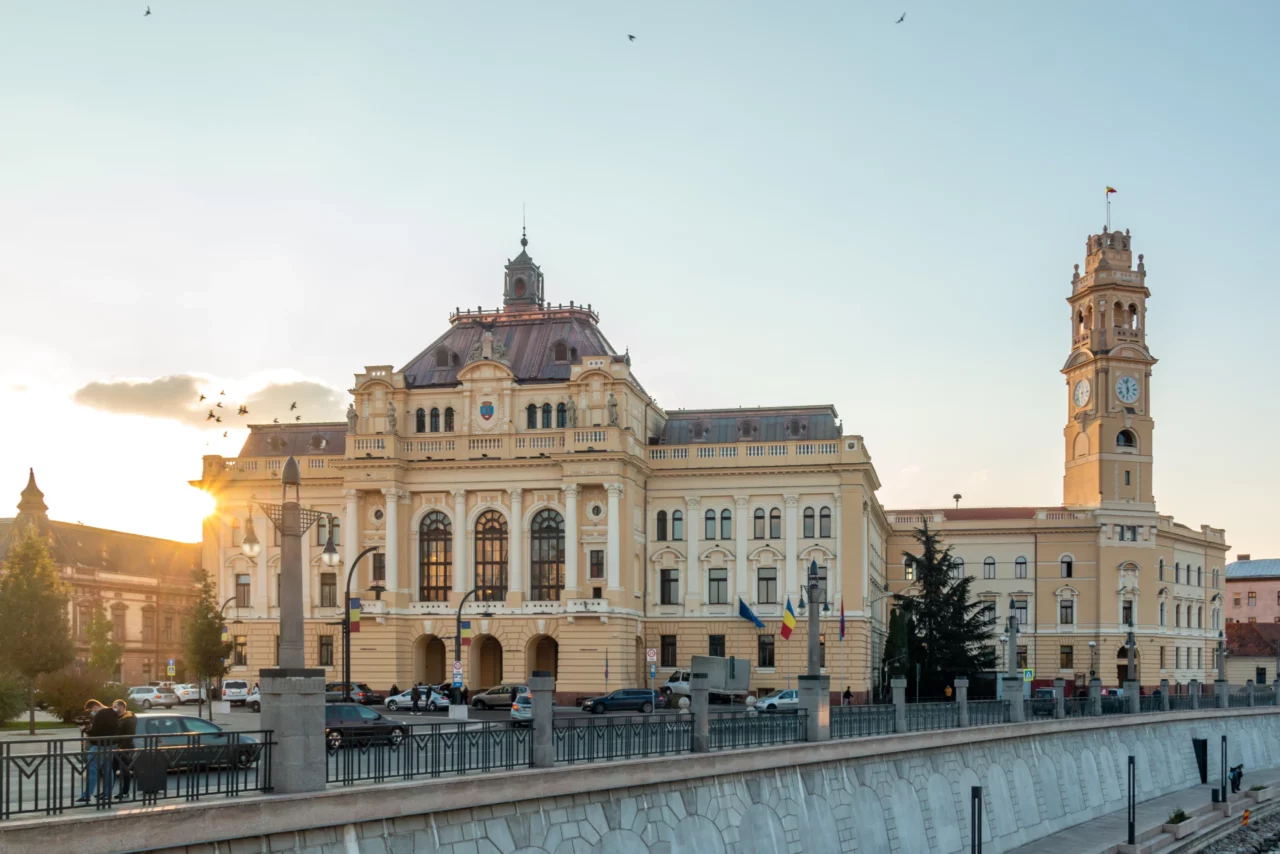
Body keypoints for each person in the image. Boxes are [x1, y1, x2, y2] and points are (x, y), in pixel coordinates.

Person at [77, 699, 118, 803]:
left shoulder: (100, 714)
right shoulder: (113, 712)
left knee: (92, 768)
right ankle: (107, 794)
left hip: (99, 745)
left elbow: (95, 731)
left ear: (95, 706)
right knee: (108, 769)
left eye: (91, 709)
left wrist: (85, 729)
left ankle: (86, 795)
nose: (92, 712)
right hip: (111, 744)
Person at [111, 699, 137, 801]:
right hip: (116, 747)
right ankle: (108, 791)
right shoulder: (117, 717)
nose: (114, 708)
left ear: (121, 707)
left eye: (115, 706)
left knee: (124, 770)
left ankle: (125, 791)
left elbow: (130, 735)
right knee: (112, 769)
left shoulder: (130, 718)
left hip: (126, 747)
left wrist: (121, 745)